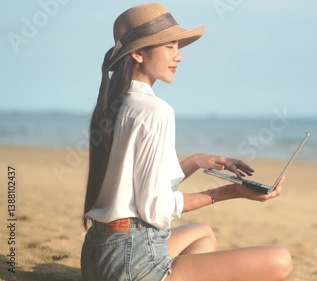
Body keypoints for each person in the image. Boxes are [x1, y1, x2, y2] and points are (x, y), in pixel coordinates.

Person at [80, 3, 293, 281]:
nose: (178, 57)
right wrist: (231, 192)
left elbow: (138, 187)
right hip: (131, 262)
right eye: (170, 47)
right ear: (138, 53)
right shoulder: (156, 110)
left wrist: (196, 161)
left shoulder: (113, 105)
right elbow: (155, 209)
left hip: (98, 253)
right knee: (281, 261)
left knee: (202, 233)